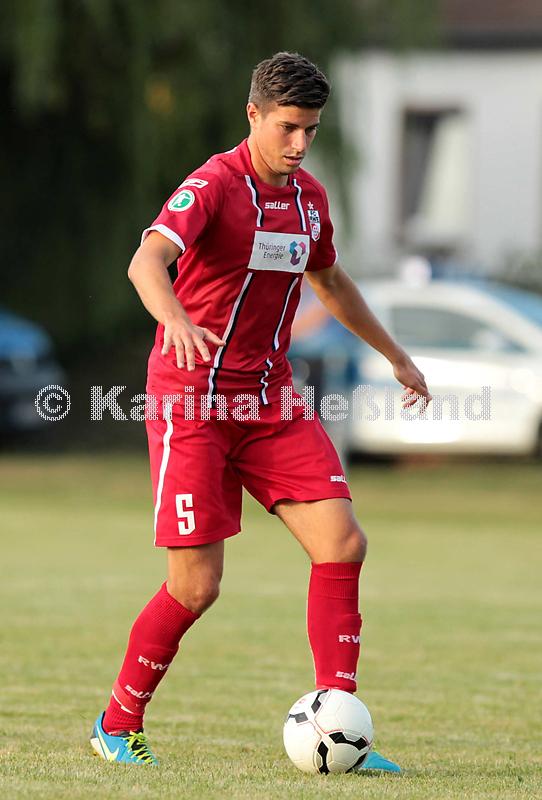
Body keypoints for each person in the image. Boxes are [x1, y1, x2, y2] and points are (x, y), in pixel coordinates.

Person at [90, 52, 431, 769]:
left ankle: (341, 729)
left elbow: (330, 281)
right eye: (287, 127)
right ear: (253, 115)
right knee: (196, 586)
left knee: (342, 544)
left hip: (270, 398)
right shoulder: (214, 184)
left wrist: (396, 355)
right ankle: (116, 724)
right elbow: (146, 262)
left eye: (311, 129)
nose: (300, 143)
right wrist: (177, 319)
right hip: (193, 399)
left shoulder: (309, 199)